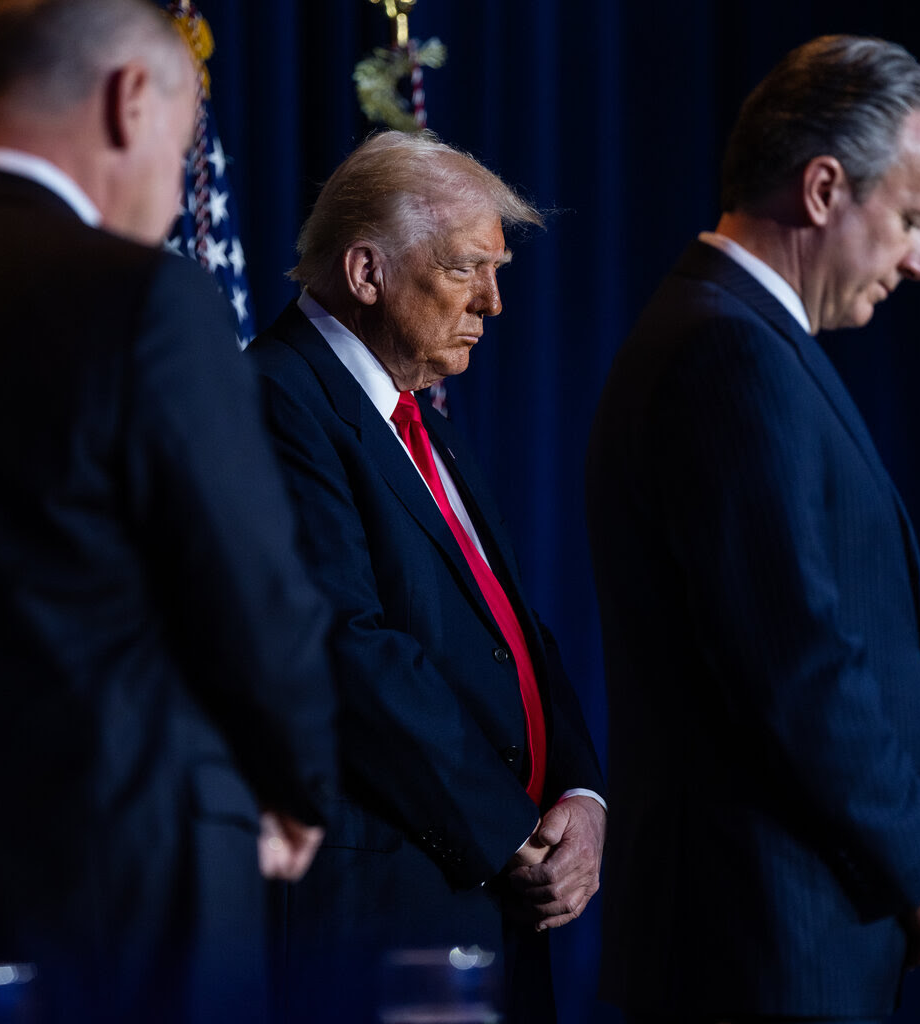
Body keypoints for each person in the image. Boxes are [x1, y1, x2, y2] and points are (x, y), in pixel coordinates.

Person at [587, 34, 920, 1024]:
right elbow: (793, 665)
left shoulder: (741, 339)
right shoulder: (725, 353)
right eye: (909, 219)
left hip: (793, 930)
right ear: (822, 189)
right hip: (761, 948)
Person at [0, 2, 339, 1021]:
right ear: (131, 98)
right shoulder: (146, 300)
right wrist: (294, 779)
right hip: (114, 871)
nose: (174, 191)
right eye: (184, 150)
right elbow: (247, 583)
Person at [248, 129, 606, 1023]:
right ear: (366, 272)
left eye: (499, 271)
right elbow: (347, 651)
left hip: (491, 891)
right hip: (392, 912)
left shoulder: (414, 414)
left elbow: (510, 629)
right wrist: (508, 833)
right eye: (463, 269)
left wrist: (580, 794)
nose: (492, 300)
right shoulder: (276, 399)